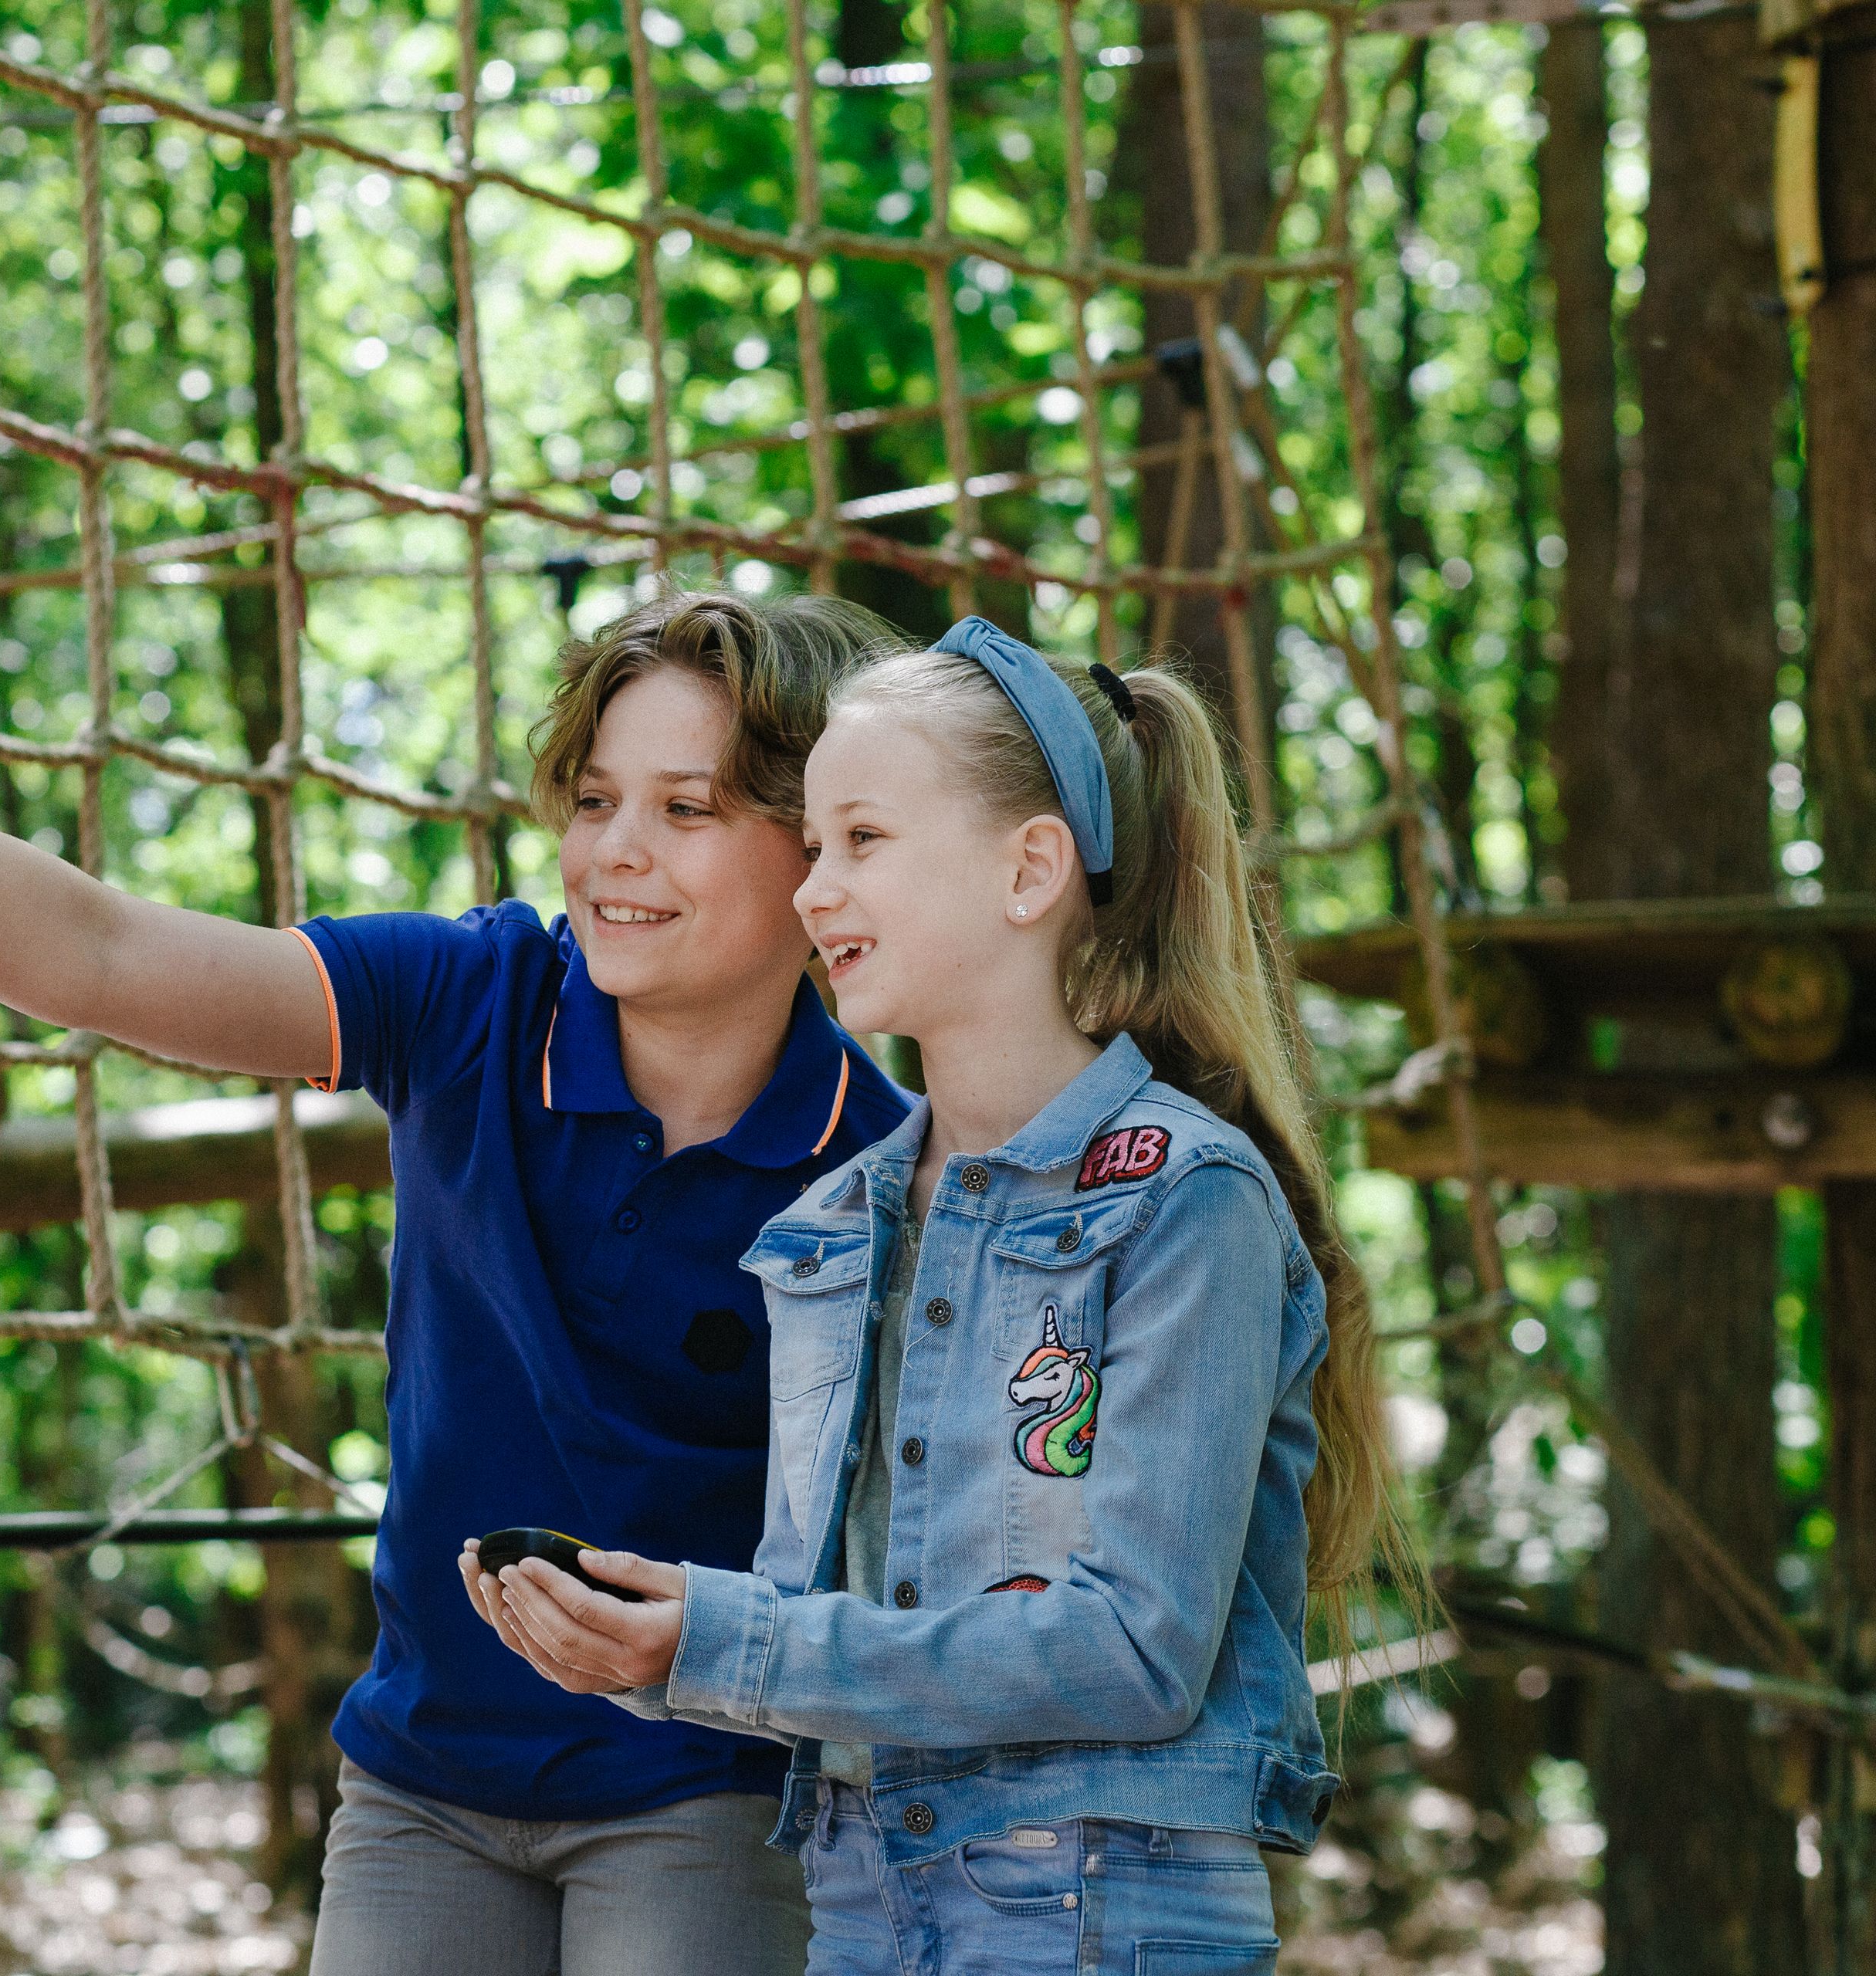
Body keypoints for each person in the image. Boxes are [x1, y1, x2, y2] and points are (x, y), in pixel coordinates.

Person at [0, 589, 916, 1976]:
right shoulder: (470, 1003)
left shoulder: (880, 1165)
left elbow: (921, 1577)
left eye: (686, 810)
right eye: (595, 799)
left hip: (706, 1791)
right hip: (428, 1779)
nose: (615, 851)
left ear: (819, 851)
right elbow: (98, 953)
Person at [472, 617, 1417, 1976]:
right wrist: (643, 1643)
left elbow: (1136, 1651)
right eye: (814, 849)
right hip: (862, 1902)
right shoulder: (834, 1227)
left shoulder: (1182, 1198)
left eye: (862, 842)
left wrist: (725, 1642)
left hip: (1100, 1911)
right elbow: (831, 1639)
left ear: (1030, 870)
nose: (810, 891)